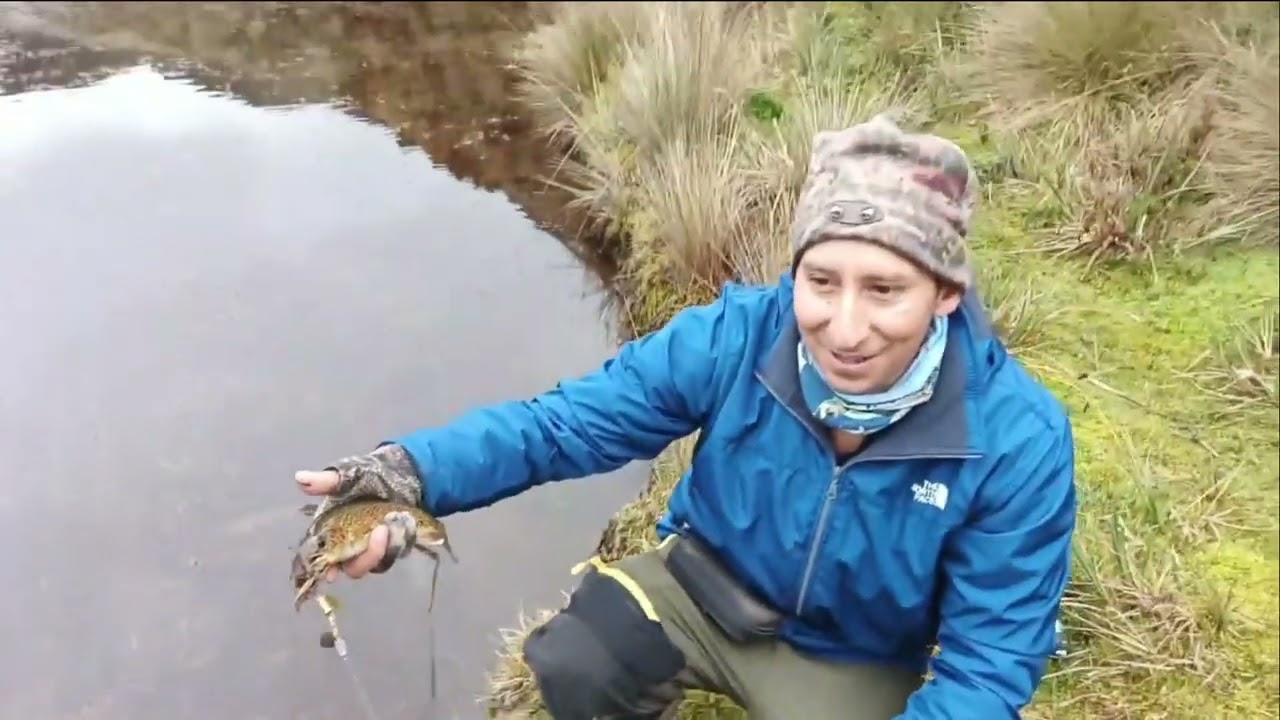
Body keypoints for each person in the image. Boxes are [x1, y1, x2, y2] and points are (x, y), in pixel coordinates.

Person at [294, 115, 1078, 720]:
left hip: (858, 655)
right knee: (576, 662)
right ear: (794, 271)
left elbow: (987, 668)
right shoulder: (735, 337)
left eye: (884, 290)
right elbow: (560, 428)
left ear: (944, 294)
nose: (843, 327)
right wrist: (410, 473)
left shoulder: (1015, 440)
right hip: (705, 596)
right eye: (822, 280)